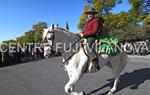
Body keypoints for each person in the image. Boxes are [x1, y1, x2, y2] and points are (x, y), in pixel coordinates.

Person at [80, 7, 103, 72]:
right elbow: (85, 30)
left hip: (92, 37)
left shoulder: (96, 21)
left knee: (88, 47)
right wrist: (82, 33)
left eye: (91, 14)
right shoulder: (87, 22)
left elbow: (94, 31)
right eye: (89, 14)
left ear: (94, 15)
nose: (90, 15)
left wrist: (84, 34)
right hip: (86, 36)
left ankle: (94, 60)